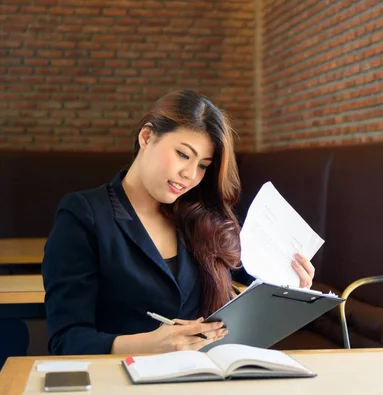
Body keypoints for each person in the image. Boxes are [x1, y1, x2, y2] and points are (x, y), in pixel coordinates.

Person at [41, 90, 316, 355]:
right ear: (147, 137)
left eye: (203, 165)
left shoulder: (200, 218)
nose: (189, 174)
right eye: (183, 155)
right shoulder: (85, 214)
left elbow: (257, 279)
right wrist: (148, 344)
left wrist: (291, 283)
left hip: (204, 379)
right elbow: (66, 339)